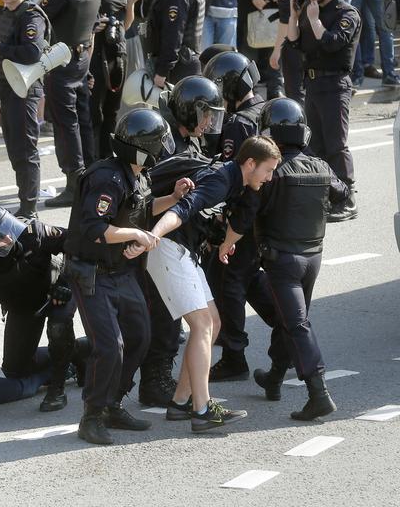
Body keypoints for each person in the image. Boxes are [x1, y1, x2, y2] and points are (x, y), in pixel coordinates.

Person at [65, 108, 192, 445]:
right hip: (92, 273)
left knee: (139, 336)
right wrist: (135, 236)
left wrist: (174, 198)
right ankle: (92, 415)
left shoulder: (136, 173)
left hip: (121, 271)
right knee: (110, 346)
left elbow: (141, 209)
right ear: (140, 146)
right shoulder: (107, 177)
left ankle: (114, 404)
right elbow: (94, 228)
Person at [218, 98, 349, 420]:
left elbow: (244, 217)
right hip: (313, 257)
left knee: (295, 323)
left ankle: (318, 392)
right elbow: (343, 193)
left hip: (283, 261)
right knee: (290, 318)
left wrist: (225, 243)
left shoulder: (272, 173)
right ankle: (275, 377)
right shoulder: (320, 165)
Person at [141, 136, 280, 431]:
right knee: (203, 325)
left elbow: (236, 221)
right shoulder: (219, 180)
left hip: (184, 250)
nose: (269, 178)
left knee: (214, 323)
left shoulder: (238, 183)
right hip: (167, 246)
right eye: (267, 171)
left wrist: (224, 244)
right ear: (250, 164)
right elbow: (182, 209)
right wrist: (154, 234)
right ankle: (201, 409)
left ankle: (180, 402)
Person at [138, 76, 225, 408]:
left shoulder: (189, 142)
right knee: (164, 320)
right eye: (205, 114)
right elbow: (146, 194)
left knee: (193, 321)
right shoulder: (168, 145)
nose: (208, 123)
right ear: (190, 109)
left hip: (182, 244)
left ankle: (176, 390)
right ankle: (155, 381)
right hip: (162, 245)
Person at [0, 204, 87, 412]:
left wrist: (64, 281)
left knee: (58, 325)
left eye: (7, 229)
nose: (9, 238)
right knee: (15, 371)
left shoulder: (33, 232)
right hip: (24, 306)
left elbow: (76, 245)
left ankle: (57, 388)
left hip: (55, 292)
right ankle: (81, 351)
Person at [200, 50, 281, 381]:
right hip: (268, 212)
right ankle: (288, 324)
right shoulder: (268, 107)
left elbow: (237, 177)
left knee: (229, 280)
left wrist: (228, 223)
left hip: (245, 214)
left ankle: (234, 355)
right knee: (248, 276)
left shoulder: (238, 122)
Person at [287, 0, 361, 222]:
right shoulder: (309, 9)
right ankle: (328, 195)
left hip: (335, 85)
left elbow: (332, 44)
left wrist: (315, 20)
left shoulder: (346, 13)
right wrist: (295, 16)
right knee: (316, 145)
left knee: (336, 145)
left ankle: (348, 197)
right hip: (314, 84)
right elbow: (295, 43)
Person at [40, 0, 101, 208]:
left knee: (65, 125)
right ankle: (89, 173)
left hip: (62, 62)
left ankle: (73, 181)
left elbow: (39, 15)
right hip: (81, 59)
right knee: (82, 121)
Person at [0, 0, 50, 220]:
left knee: (25, 150)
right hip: (7, 88)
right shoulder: (3, 14)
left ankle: (29, 208)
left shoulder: (30, 16)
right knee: (15, 150)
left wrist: (0, 48)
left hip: (25, 89)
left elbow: (32, 52)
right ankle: (25, 201)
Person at [89, 0, 143, 160]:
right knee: (95, 111)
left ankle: (108, 156)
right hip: (96, 54)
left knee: (112, 110)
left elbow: (125, 24)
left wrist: (131, 3)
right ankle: (93, 158)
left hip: (117, 53)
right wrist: (93, 25)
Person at [145, 0, 205, 90]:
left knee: (169, 112)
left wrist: (162, 71)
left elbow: (173, 36)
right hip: (188, 63)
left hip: (178, 69)